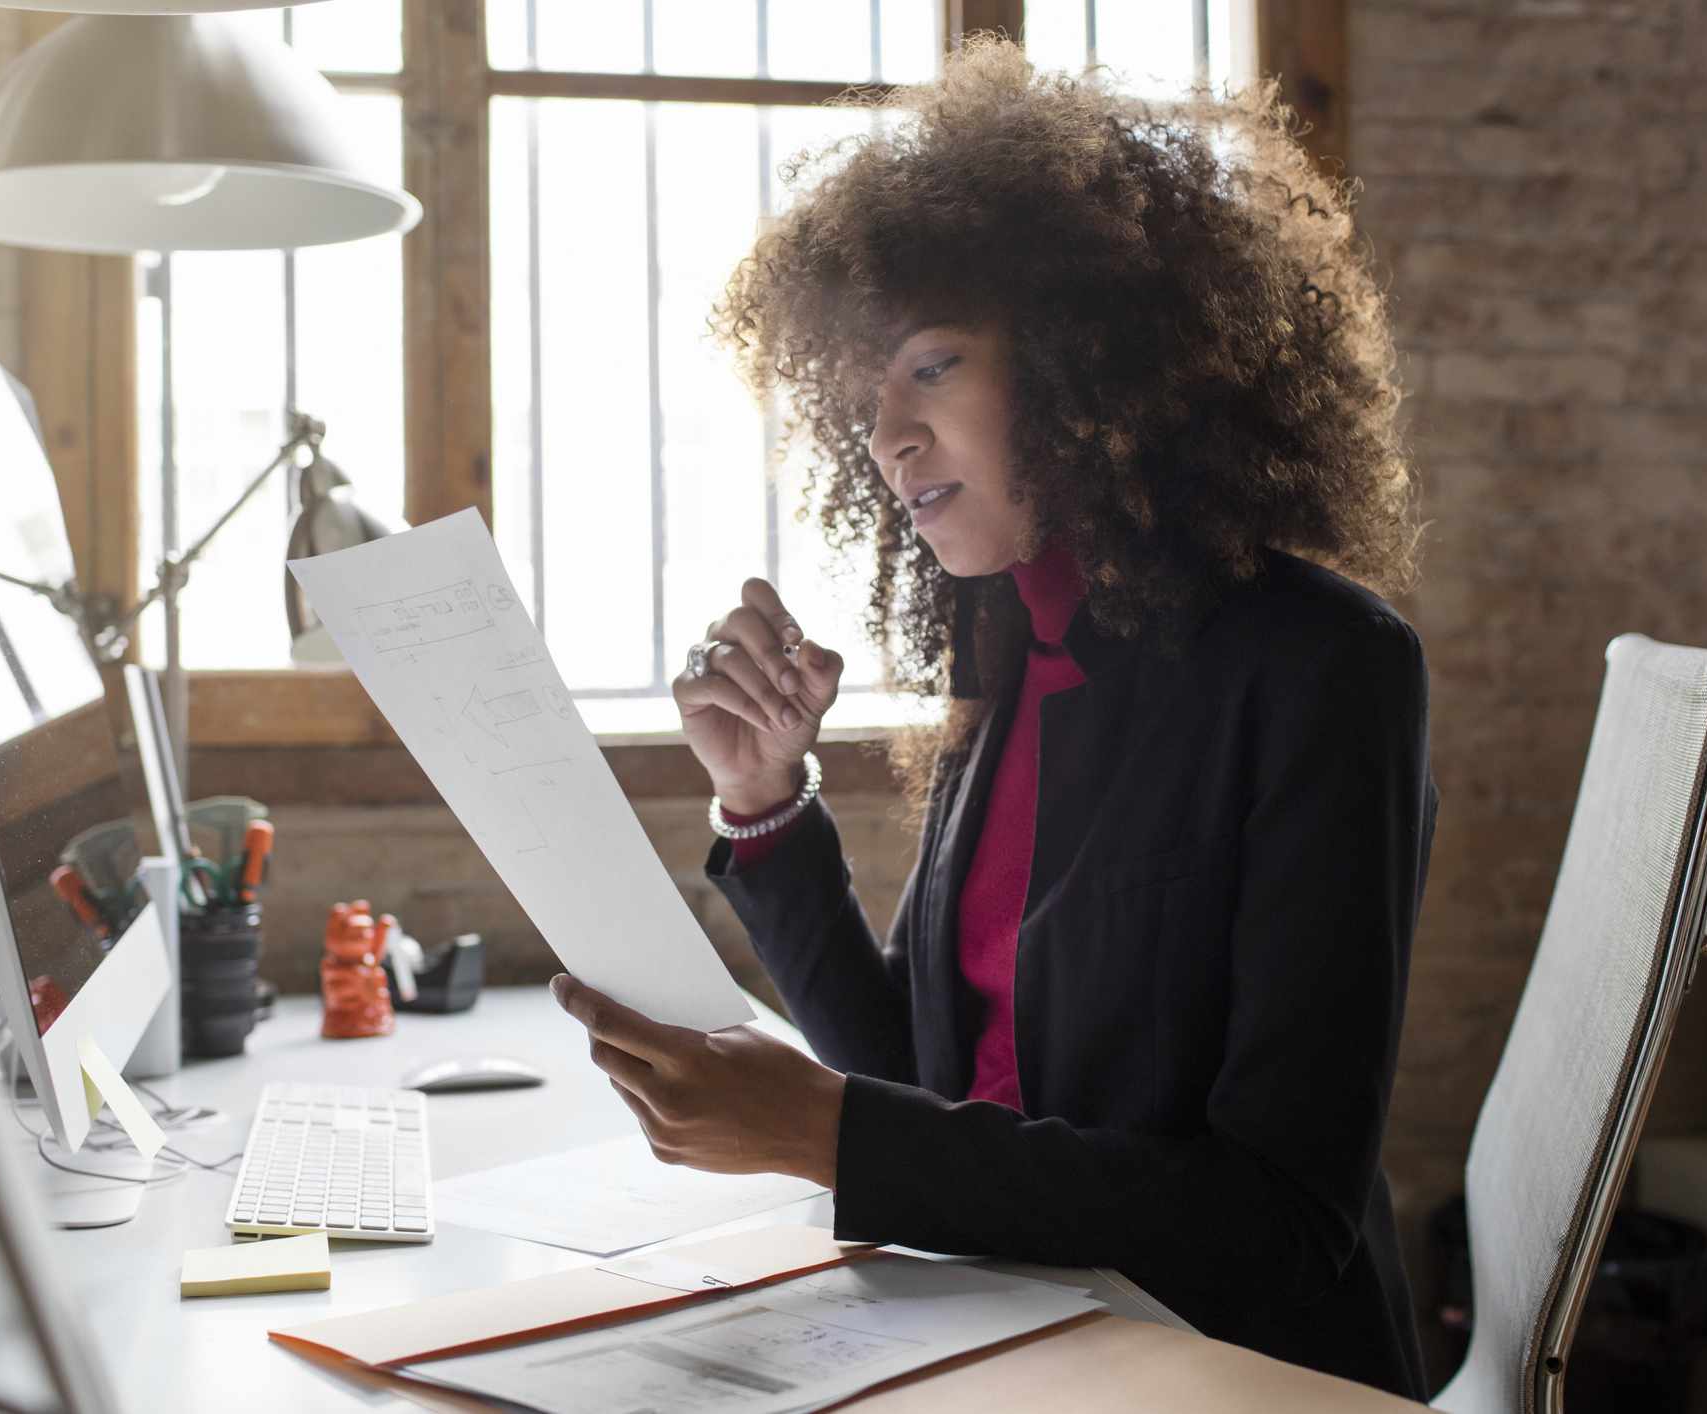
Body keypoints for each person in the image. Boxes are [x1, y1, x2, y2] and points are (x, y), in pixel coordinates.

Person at [548, 38, 1435, 1400]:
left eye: (933, 367)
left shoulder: (1321, 669)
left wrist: (830, 1133)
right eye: (869, 393)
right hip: (1001, 1317)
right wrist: (765, 806)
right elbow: (916, 1068)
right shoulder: (1012, 636)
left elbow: (1274, 1222)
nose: (887, 437)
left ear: (1095, 363)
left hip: (1222, 1365)